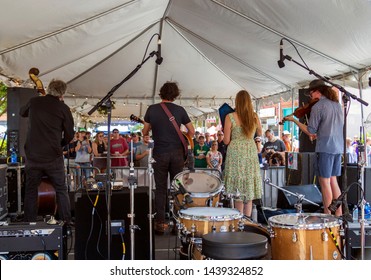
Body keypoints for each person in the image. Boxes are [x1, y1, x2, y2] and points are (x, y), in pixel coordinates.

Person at [284, 79, 344, 216]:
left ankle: (328, 216)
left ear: (318, 91)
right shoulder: (337, 105)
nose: (310, 96)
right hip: (337, 148)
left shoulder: (319, 106)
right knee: (334, 181)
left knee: (324, 182)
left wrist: (294, 120)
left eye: (311, 92)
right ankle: (339, 215)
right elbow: (331, 128)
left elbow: (311, 130)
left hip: (325, 148)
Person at [142, 81, 195, 234]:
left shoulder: (152, 110)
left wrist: (148, 135)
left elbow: (145, 132)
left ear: (161, 93)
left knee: (160, 189)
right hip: (177, 154)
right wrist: (182, 138)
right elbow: (191, 131)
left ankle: (160, 224)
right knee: (177, 188)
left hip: (159, 153)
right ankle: (177, 223)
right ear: (176, 94)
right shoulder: (180, 110)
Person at [20, 79, 74, 223]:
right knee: (61, 189)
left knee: (31, 190)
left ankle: (29, 223)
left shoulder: (34, 102)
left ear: (49, 89)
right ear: (62, 93)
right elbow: (70, 135)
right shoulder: (63, 108)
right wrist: (60, 144)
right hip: (53, 157)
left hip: (33, 156)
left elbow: (22, 112)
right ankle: (66, 223)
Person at [223, 90, 262, 217]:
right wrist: (257, 143)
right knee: (248, 187)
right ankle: (248, 220)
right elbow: (260, 134)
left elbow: (226, 140)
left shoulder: (230, 117)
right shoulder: (254, 116)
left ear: (237, 102)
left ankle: (238, 219)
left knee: (238, 188)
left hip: (235, 152)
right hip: (250, 151)